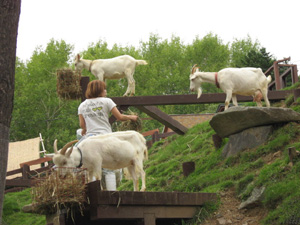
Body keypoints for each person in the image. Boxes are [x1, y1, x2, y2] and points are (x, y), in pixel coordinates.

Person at [77, 80, 138, 188]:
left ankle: (94, 192)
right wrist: (131, 117)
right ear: (99, 90)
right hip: (106, 138)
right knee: (109, 169)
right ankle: (112, 193)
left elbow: (82, 125)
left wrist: (85, 128)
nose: (106, 91)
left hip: (90, 140)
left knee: (91, 168)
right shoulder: (107, 101)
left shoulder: (82, 105)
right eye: (104, 88)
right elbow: (119, 117)